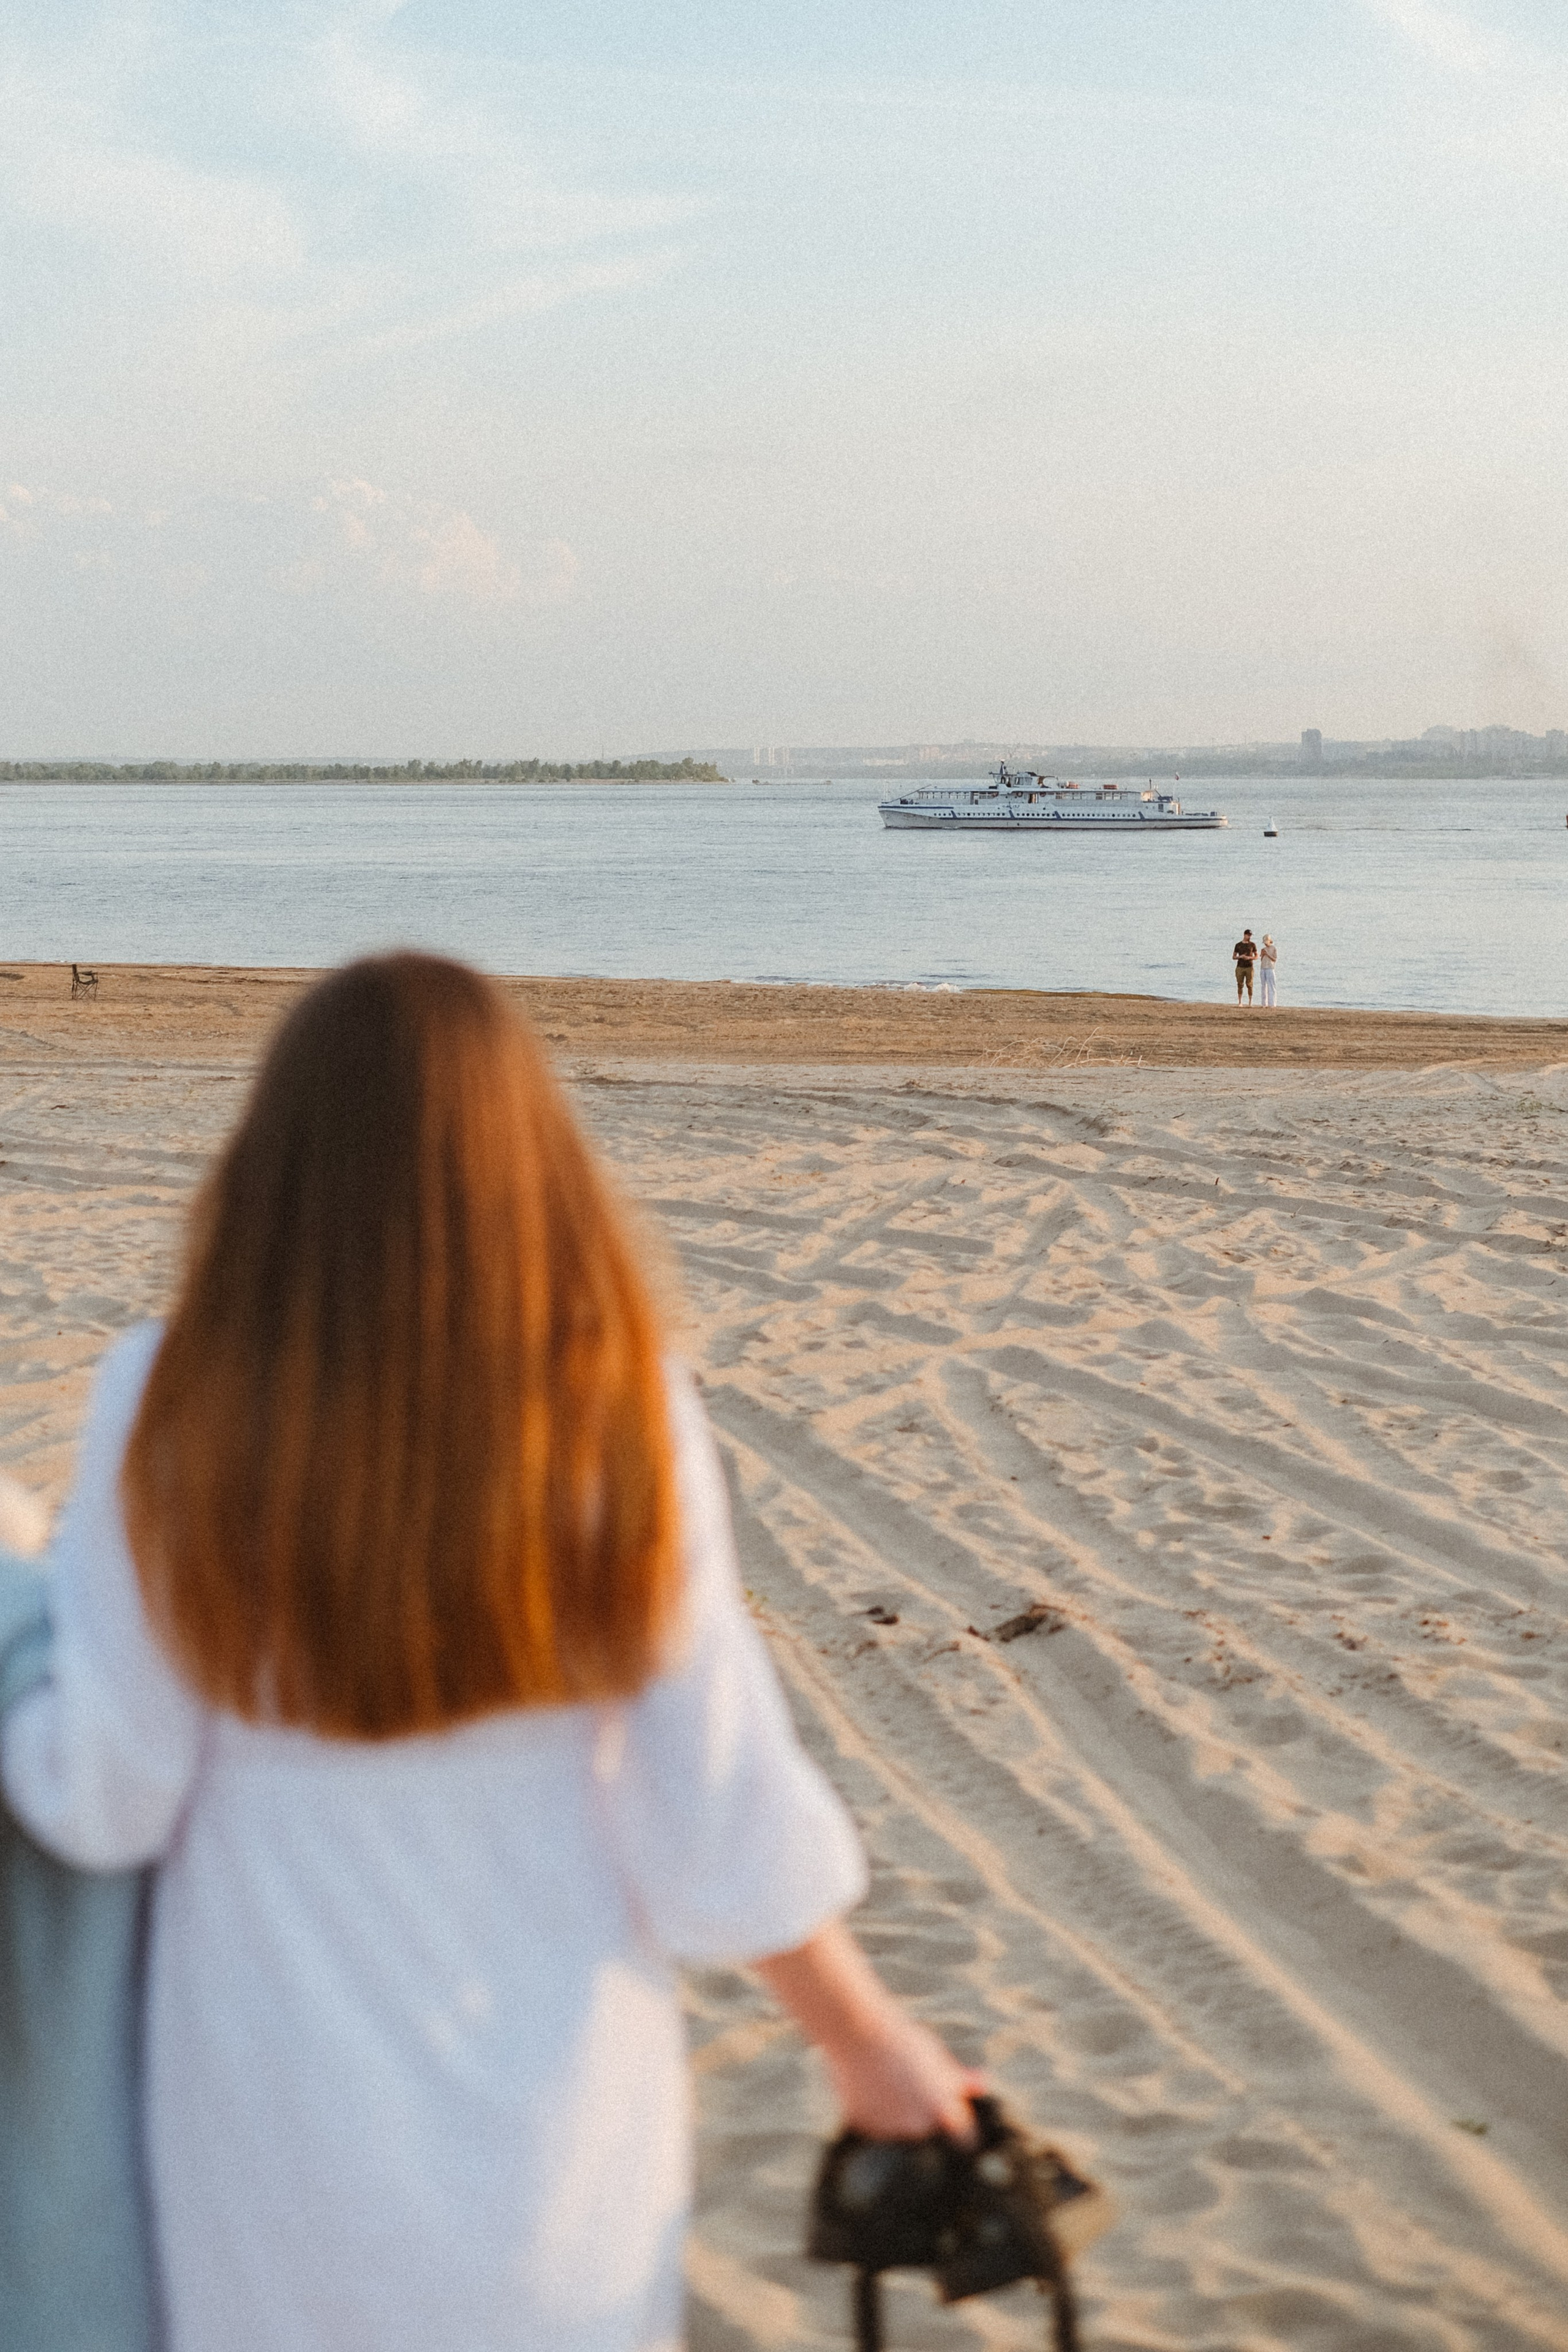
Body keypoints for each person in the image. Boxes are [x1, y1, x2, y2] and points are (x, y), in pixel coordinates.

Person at [0, 954, 980, 2352]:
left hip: (265, 2124)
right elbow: (713, 1803)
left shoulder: (170, 1391)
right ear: (528, 1161)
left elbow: (107, 1793)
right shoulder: (618, 1403)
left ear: (271, 1165)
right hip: (556, 2118)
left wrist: (16, 1609)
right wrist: (865, 2041)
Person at [1232, 927, 1257, 1003]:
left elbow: (1256, 956)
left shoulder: (1252, 945)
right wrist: (1240, 957)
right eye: (1248, 935)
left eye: (1250, 936)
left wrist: (1249, 957)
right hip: (1240, 966)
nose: (1249, 937)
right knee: (1240, 984)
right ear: (1245, 935)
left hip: (1249, 966)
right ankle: (1240, 1002)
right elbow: (1234, 957)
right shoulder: (1238, 945)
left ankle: (1250, 1001)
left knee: (1250, 984)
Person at [1258, 933, 1278, 1006]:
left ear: (1269, 941)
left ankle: (1272, 1003)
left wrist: (1268, 954)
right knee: (1263, 986)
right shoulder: (1264, 949)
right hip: (1263, 968)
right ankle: (1264, 1003)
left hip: (1270, 968)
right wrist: (1262, 954)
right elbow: (1261, 959)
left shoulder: (1273, 948)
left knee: (1271, 985)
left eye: (1266, 942)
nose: (1265, 944)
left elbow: (1275, 959)